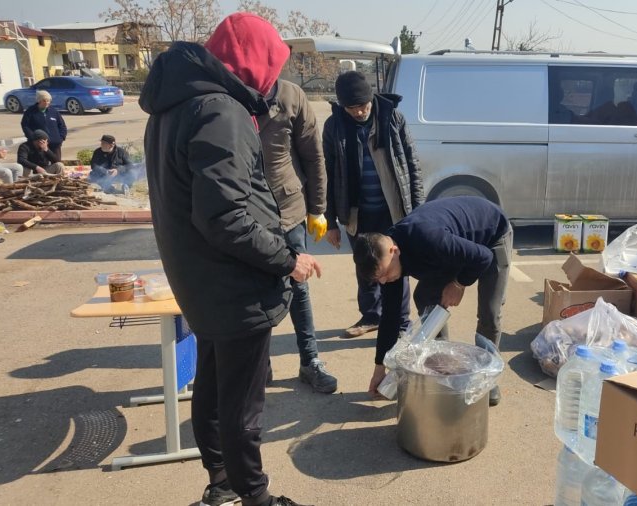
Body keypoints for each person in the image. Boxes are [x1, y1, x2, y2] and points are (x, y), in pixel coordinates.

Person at [139, 13, 315, 506]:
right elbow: (226, 218)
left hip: (200, 280)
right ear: (252, 63)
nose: (275, 80)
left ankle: (221, 485)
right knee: (243, 406)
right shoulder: (221, 111)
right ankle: (254, 498)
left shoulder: (176, 104)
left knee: (214, 388)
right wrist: (287, 259)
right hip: (234, 285)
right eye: (272, 66)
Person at [353, 196, 513, 406]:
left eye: (385, 273)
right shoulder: (388, 264)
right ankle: (444, 367)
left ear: (394, 251)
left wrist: (458, 283)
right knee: (425, 297)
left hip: (491, 236)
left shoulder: (426, 238)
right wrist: (379, 368)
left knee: (489, 313)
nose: (384, 280)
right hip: (452, 250)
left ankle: (486, 379)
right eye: (378, 279)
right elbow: (390, 318)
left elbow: (482, 257)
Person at [322, 70, 425, 338]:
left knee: (395, 267)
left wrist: (420, 211)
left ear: (372, 98)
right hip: (358, 211)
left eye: (363, 106)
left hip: (393, 209)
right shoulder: (334, 127)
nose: (359, 112)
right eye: (352, 108)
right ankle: (372, 316)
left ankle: (401, 323)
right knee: (366, 266)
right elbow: (329, 174)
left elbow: (412, 166)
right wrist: (330, 221)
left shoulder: (393, 118)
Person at [257, 78, 337, 393]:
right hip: (246, 213)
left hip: (287, 209)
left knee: (298, 287)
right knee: (253, 290)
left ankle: (310, 360)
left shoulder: (291, 95)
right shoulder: (229, 92)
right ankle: (259, 365)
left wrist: (317, 209)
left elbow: (313, 156)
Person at [21, 90, 67, 160]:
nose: (47, 103)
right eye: (44, 101)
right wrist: (33, 139)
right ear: (39, 101)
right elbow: (25, 126)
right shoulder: (30, 112)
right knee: (43, 165)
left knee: (57, 164)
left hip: (55, 144)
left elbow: (62, 126)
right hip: (39, 144)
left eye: (48, 101)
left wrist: (61, 138)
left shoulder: (53, 111)